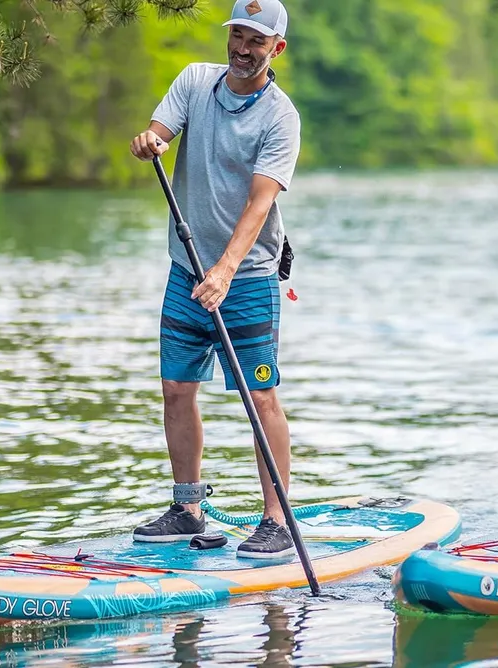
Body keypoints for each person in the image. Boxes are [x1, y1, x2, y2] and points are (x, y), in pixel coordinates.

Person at [128, 0, 301, 558]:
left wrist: (225, 270)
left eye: (256, 41)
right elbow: (159, 131)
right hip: (186, 268)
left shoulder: (281, 117)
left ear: (276, 49)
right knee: (176, 388)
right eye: (238, 35)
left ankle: (276, 519)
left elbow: (259, 203)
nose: (243, 49)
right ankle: (187, 509)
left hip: (247, 276)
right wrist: (150, 141)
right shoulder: (195, 81)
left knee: (259, 395)